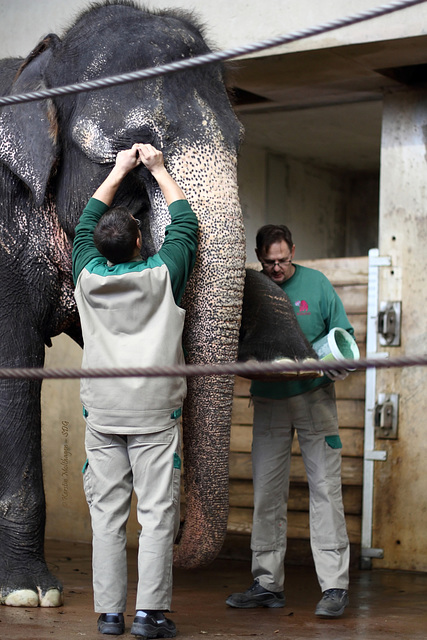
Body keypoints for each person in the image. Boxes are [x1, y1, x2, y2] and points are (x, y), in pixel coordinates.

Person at [72, 143, 198, 637]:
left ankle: (108, 615)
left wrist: (117, 170)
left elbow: (84, 225)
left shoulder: (86, 272)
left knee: (106, 516)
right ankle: (149, 614)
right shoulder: (163, 274)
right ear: (142, 239)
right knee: (156, 513)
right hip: (153, 417)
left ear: (100, 247)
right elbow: (187, 226)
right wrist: (159, 170)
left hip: (102, 415)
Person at [226, 224, 353, 618]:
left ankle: (334, 587)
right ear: (259, 257)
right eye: (269, 262)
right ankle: (267, 583)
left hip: (315, 399)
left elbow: (344, 333)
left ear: (293, 251)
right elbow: (235, 345)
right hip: (269, 402)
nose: (277, 268)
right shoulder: (253, 289)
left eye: (283, 260)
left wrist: (337, 363)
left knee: (326, 491)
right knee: (266, 493)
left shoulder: (318, 285)